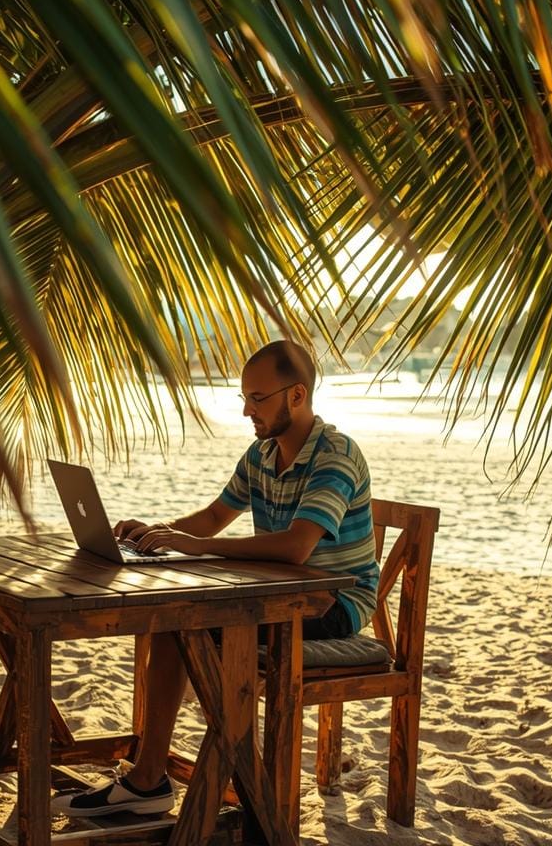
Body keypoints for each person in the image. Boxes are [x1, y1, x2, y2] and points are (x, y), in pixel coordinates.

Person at [51, 340, 378, 817]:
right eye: (243, 398)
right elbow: (213, 516)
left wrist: (198, 547)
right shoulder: (261, 454)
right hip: (280, 596)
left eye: (257, 398)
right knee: (172, 620)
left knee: (184, 625)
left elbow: (296, 545)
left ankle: (171, 780)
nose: (247, 410)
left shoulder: (335, 454)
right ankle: (156, 777)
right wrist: (158, 530)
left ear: (297, 395)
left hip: (333, 605)